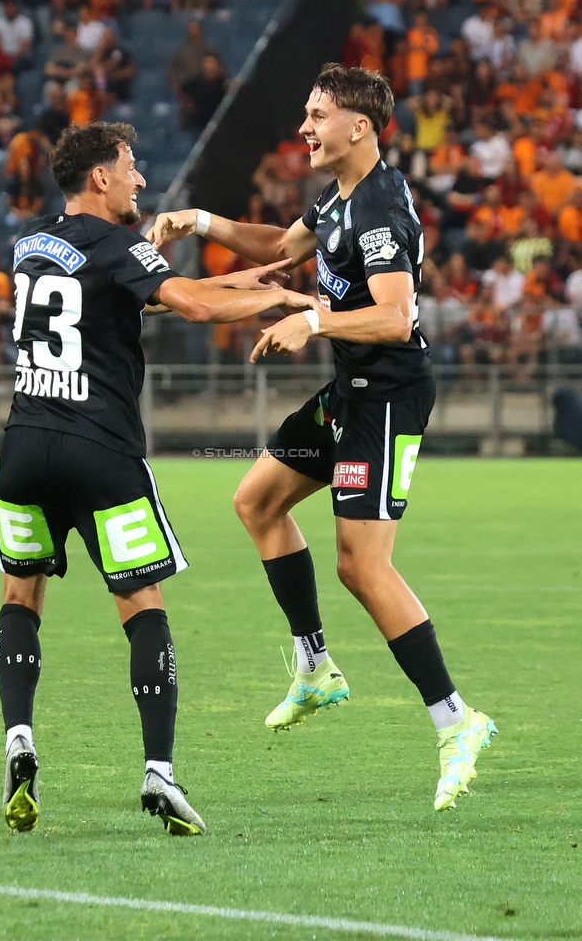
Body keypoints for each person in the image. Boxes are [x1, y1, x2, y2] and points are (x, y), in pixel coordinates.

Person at [148, 64, 498, 813]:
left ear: (359, 127)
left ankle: (457, 720)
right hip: (351, 392)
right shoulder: (341, 199)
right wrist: (202, 222)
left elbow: (397, 319)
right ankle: (315, 668)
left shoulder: (376, 210)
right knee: (258, 502)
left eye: (317, 115)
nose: (305, 128)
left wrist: (312, 321)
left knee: (362, 568)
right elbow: (279, 243)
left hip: (389, 400)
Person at [0, 120, 313, 836]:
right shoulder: (119, 245)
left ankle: (19, 739)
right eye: (131, 167)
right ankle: (159, 774)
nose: (141, 179)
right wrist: (278, 300)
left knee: (21, 595)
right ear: (100, 178)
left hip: (22, 445)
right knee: (143, 603)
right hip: (98, 449)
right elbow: (190, 303)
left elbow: (135, 291)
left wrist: (239, 279)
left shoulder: (29, 244)